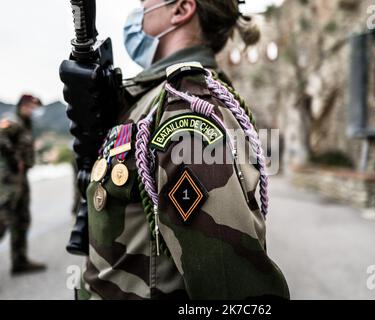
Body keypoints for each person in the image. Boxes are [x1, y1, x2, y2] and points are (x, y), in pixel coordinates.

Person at [61, 0, 289, 300]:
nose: (139, 9)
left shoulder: (184, 109)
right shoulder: (153, 101)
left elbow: (230, 292)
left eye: (146, 2)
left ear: (181, 9)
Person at [0, 94, 47, 275]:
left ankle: (19, 261)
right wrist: (14, 159)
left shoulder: (25, 124)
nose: (33, 110)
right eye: (31, 106)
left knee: (21, 219)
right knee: (2, 220)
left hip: (20, 178)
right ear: (22, 105)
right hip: (8, 180)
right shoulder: (12, 121)